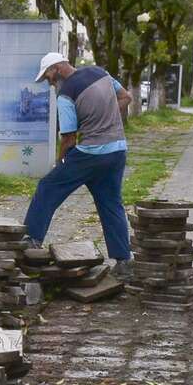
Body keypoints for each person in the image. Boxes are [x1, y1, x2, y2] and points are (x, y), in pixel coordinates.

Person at [23, 51, 134, 278]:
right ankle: (124, 262)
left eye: (48, 78)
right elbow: (126, 97)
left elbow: (68, 138)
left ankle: (31, 241)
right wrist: (107, 119)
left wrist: (59, 161)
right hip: (117, 150)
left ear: (56, 69)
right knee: (110, 204)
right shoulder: (100, 73)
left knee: (47, 187)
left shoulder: (66, 94)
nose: (50, 83)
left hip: (91, 153)